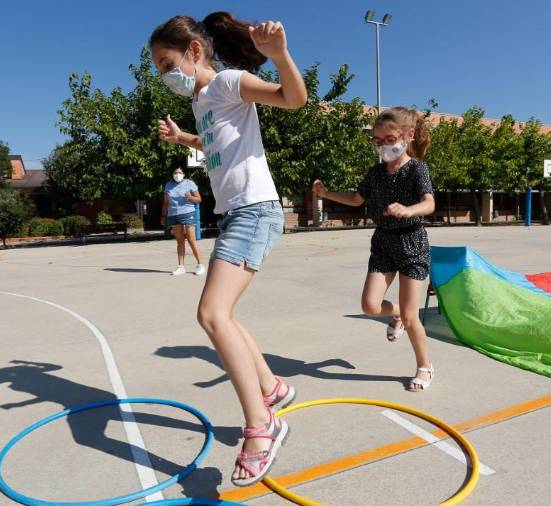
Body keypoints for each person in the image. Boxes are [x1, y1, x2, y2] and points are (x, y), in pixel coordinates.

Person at [150, 11, 306, 486]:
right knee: (225, 315)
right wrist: (183, 138)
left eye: (165, 63)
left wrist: (279, 56)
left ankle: (262, 426)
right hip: (236, 213)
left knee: (213, 315)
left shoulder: (228, 82)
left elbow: (294, 100)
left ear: (194, 52)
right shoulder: (203, 100)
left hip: (255, 210)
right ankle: (273, 388)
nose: (163, 75)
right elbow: (215, 139)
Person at [313, 106, 436, 392]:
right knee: (369, 306)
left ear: (408, 135)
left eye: (389, 139)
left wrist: (408, 210)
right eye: (377, 141)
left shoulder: (417, 169)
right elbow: (357, 199)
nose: (383, 146)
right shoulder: (376, 173)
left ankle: (424, 366)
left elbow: (429, 203)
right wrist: (327, 193)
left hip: (412, 243)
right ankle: (395, 316)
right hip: (383, 242)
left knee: (411, 316)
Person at [161, 166, 207, 275]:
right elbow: (166, 203)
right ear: (172, 174)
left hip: (188, 213)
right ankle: (181, 267)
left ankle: (200, 265)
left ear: (184, 174)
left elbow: (199, 199)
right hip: (174, 215)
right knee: (180, 241)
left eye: (180, 172)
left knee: (191, 239)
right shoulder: (168, 185)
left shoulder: (189, 183)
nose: (177, 174)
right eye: (175, 172)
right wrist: (163, 216)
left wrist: (190, 197)